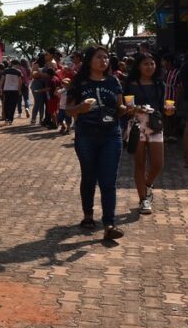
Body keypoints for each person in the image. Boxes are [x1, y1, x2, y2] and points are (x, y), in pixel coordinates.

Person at [66, 45, 128, 240]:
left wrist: (126, 109)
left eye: (106, 58)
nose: (104, 61)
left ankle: (109, 223)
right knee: (89, 176)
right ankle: (88, 216)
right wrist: (80, 108)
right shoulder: (79, 82)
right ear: (89, 60)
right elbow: (68, 111)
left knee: (109, 180)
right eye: (99, 57)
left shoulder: (113, 81)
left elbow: (119, 107)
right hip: (86, 135)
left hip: (111, 135)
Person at [124, 53, 166, 214]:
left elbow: (162, 107)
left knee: (158, 164)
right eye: (146, 64)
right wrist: (135, 109)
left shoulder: (159, 84)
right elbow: (127, 108)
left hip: (155, 125)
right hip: (136, 125)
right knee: (139, 163)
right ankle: (144, 200)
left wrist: (169, 112)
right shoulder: (130, 84)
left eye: (152, 63)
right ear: (138, 66)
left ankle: (147, 184)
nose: (150, 67)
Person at [0, 59, 23, 125]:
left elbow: (2, 80)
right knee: (13, 105)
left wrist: (0, 88)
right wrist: (19, 91)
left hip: (6, 89)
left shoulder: (6, 71)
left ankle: (6, 119)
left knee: (6, 104)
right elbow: (20, 82)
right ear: (17, 64)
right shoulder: (18, 72)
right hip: (15, 90)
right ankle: (10, 119)